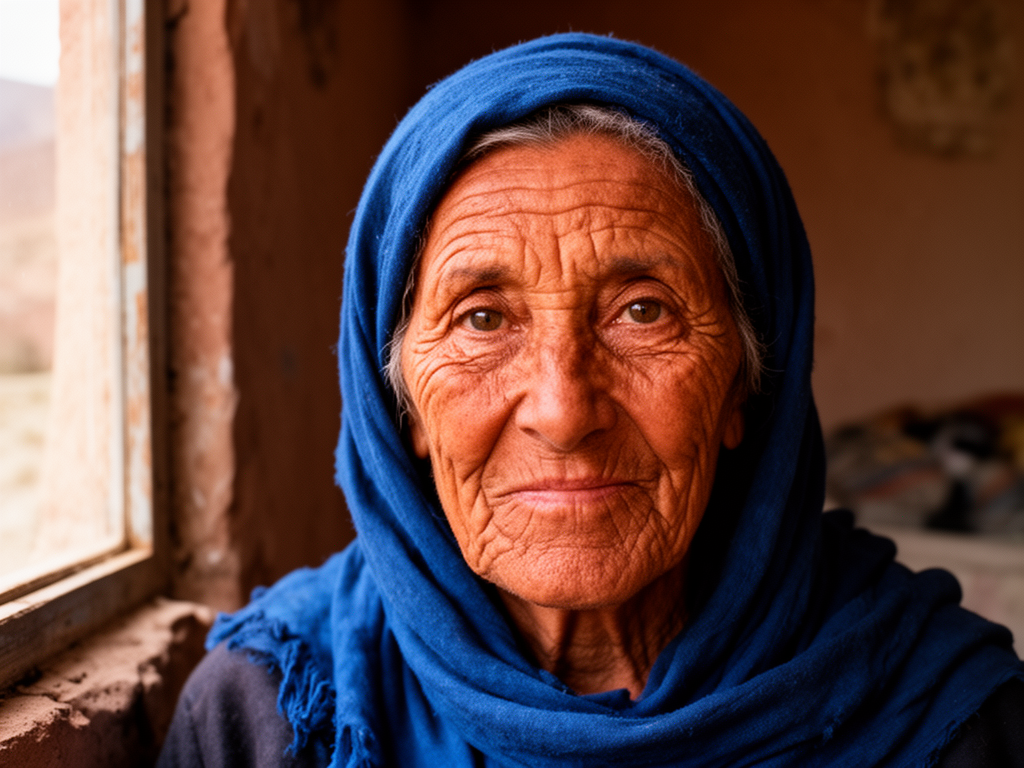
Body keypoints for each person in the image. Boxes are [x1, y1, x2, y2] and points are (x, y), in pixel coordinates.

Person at [158, 34, 1023, 767]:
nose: (564, 412)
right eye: (483, 318)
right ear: (403, 409)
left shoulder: (947, 717)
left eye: (643, 311)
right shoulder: (268, 720)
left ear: (746, 383)